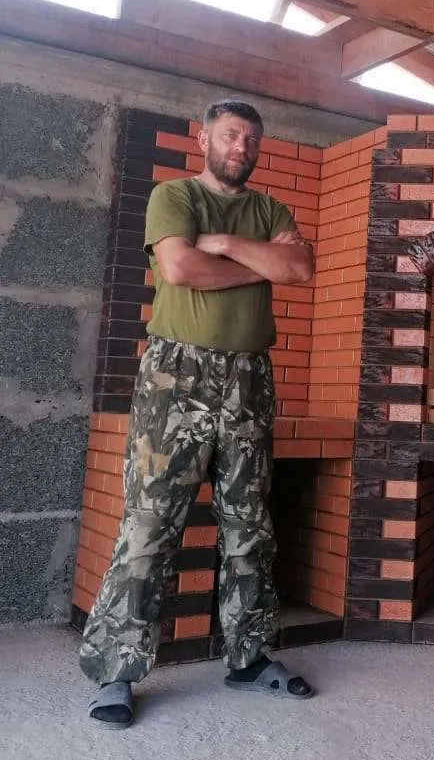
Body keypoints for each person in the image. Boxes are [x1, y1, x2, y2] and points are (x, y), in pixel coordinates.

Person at [80, 100, 316, 728]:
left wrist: (228, 245)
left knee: (249, 523)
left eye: (252, 139)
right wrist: (258, 264)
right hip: (175, 375)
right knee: (150, 522)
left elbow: (299, 268)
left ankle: (249, 658)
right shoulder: (174, 196)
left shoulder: (269, 210)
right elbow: (179, 266)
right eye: (231, 135)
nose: (242, 147)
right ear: (204, 138)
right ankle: (116, 673)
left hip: (250, 378)